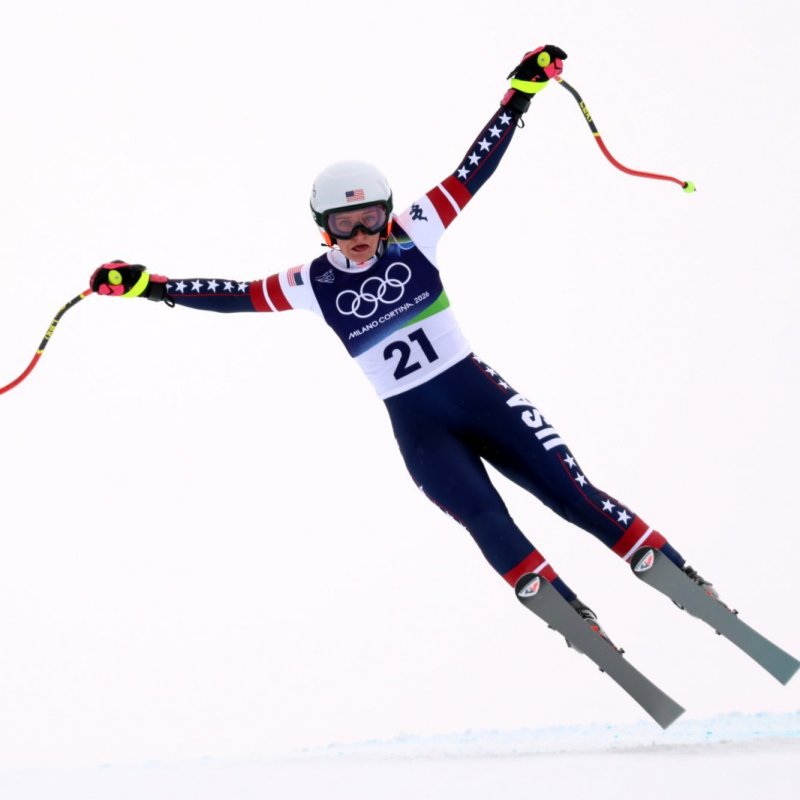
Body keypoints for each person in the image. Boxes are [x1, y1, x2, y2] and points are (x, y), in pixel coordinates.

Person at [89, 45, 717, 647]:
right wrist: (151, 286)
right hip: (422, 431)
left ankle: (679, 576)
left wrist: (519, 96)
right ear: (323, 228)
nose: (360, 234)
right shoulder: (312, 281)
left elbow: (473, 168)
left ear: (387, 212)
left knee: (573, 497)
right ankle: (569, 613)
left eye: (369, 218)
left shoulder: (416, 229)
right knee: (484, 516)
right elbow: (237, 295)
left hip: (480, 398)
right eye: (343, 224)